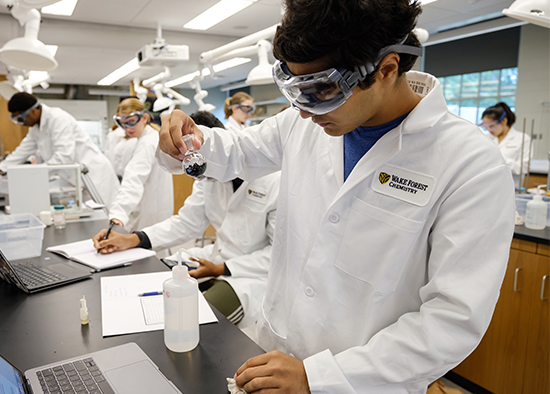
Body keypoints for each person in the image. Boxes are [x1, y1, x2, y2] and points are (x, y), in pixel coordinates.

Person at [155, 0, 515, 392]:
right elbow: (235, 151)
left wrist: (321, 378)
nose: (305, 111)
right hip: (273, 356)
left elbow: (452, 318)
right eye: (294, 89)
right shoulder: (301, 124)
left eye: (321, 90)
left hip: (366, 381)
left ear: (386, 69)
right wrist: (187, 139)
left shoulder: (470, 164)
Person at [93, 111, 280, 329]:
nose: (199, 176)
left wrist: (220, 269)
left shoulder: (273, 179)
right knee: (157, 274)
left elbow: (278, 255)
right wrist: (135, 239)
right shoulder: (206, 175)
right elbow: (188, 222)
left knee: (194, 319)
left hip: (252, 278)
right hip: (214, 257)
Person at [0, 93, 119, 206]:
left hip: (95, 176)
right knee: (92, 219)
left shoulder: (58, 119)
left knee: (107, 217)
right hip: (76, 180)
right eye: (16, 120)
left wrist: (32, 172)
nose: (21, 123)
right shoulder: (35, 129)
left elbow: (64, 157)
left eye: (21, 118)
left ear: (33, 111)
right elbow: (19, 154)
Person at [106, 98, 173, 232]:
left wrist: (118, 214)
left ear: (144, 118)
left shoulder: (147, 142)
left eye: (131, 122)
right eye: (122, 124)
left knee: (150, 249)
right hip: (155, 206)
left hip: (150, 210)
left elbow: (134, 178)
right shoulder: (149, 137)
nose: (127, 128)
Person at [480, 102, 531, 188]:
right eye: (485, 126)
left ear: (504, 121)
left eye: (491, 126)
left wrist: (499, 159)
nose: (489, 130)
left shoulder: (523, 138)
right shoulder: (486, 138)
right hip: (486, 186)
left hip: (510, 188)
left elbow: (524, 168)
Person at [103, 99, 138, 180]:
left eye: (131, 121)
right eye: (122, 122)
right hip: (119, 176)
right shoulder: (118, 135)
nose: (127, 127)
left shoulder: (133, 139)